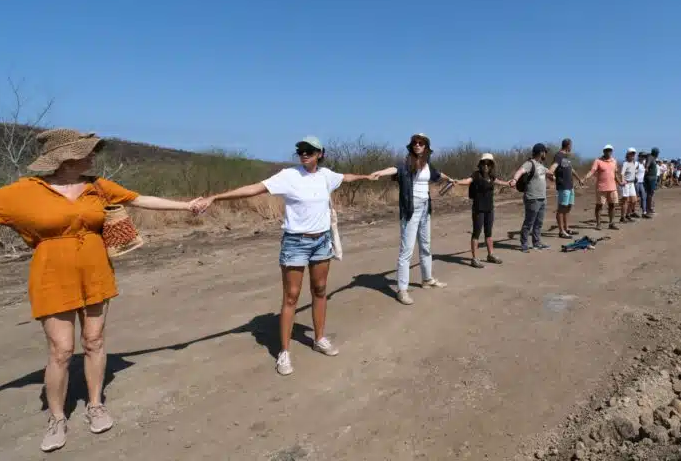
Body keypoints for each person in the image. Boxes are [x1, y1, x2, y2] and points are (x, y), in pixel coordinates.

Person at [0, 128, 200, 452]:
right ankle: (57, 418)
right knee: (61, 350)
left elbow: (139, 199)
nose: (93, 157)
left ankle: (96, 404)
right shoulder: (25, 191)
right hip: (51, 276)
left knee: (94, 341)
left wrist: (187, 207)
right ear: (66, 159)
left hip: (96, 272)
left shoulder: (98, 187)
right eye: (87, 153)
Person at [194, 136, 372, 376]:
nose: (304, 154)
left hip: (322, 241)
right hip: (296, 243)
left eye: (309, 150)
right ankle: (284, 352)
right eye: (300, 150)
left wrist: (367, 176)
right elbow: (253, 189)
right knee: (291, 296)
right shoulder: (288, 176)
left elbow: (346, 177)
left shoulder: (326, 176)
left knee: (320, 289)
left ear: (320, 153)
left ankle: (319, 338)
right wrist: (215, 197)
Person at [369, 133, 455, 305]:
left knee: (426, 245)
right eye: (415, 142)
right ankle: (402, 290)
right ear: (411, 146)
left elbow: (437, 174)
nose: (417, 145)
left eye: (421, 143)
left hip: (425, 208)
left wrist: (450, 178)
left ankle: (427, 279)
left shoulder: (427, 164)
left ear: (426, 147)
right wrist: (380, 172)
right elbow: (395, 169)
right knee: (406, 250)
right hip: (411, 209)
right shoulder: (407, 163)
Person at [453, 153, 511, 267]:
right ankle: (474, 259)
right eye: (484, 163)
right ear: (480, 164)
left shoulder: (492, 177)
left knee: (488, 233)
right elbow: (467, 181)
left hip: (489, 209)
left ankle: (490, 255)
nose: (486, 166)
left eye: (488, 164)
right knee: (476, 233)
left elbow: (500, 182)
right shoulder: (476, 175)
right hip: (478, 209)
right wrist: (457, 181)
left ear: (491, 165)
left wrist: (509, 183)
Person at [508, 143, 553, 252]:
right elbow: (520, 171)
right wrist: (515, 180)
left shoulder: (541, 165)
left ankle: (537, 243)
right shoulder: (530, 163)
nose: (546, 154)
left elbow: (549, 173)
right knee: (529, 222)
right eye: (545, 152)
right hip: (532, 198)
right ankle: (524, 244)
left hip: (542, 198)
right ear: (541, 152)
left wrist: (553, 176)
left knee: (539, 223)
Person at [548, 138, 585, 239]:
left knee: (568, 207)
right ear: (568, 145)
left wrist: (579, 179)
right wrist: (552, 177)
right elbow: (551, 169)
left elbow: (570, 169)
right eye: (571, 145)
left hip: (570, 186)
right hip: (563, 186)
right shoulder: (559, 156)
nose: (571, 147)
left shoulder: (565, 157)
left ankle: (566, 228)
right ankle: (561, 231)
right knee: (561, 208)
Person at [583, 144, 620, 230]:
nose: (608, 152)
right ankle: (598, 224)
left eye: (610, 150)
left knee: (612, 205)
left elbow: (615, 174)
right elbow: (592, 171)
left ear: (612, 151)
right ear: (603, 151)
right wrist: (585, 178)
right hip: (601, 188)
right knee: (599, 206)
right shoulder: (598, 161)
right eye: (607, 150)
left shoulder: (614, 161)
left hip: (612, 187)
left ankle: (611, 223)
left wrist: (620, 182)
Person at [619, 148, 640, 222]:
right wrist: (623, 181)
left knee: (634, 200)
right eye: (631, 153)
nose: (633, 155)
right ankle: (622, 217)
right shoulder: (626, 163)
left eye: (634, 154)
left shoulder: (634, 163)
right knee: (625, 201)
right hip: (626, 183)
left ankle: (628, 214)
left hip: (632, 183)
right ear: (628, 154)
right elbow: (622, 173)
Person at [643, 147, 660, 218]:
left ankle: (649, 209)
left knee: (651, 194)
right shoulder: (650, 157)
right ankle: (648, 210)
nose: (658, 154)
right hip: (650, 178)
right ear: (655, 153)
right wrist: (646, 168)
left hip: (652, 178)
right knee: (649, 194)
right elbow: (647, 165)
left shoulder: (652, 157)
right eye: (657, 153)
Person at [636, 151, 648, 216]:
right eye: (642, 156)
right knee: (635, 198)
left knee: (644, 197)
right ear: (639, 156)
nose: (643, 157)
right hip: (636, 183)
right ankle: (632, 211)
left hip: (641, 182)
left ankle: (644, 212)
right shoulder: (636, 163)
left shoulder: (643, 164)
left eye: (644, 156)